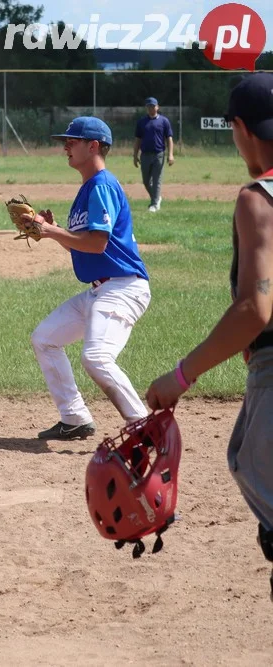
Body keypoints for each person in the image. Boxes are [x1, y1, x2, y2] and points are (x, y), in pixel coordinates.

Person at [146, 73, 273, 594]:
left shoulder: (258, 196)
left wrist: (182, 374)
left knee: (251, 466)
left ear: (239, 127)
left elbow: (254, 308)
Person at [24, 116, 152, 440]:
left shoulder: (102, 185)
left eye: (72, 141)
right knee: (45, 338)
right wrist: (54, 232)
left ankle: (147, 429)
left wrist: (53, 232)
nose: (65, 146)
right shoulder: (86, 190)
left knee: (95, 356)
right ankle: (75, 417)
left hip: (123, 287)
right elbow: (86, 250)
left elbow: (98, 244)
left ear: (93, 146)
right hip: (100, 290)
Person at [133, 97, 175, 213]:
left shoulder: (164, 121)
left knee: (157, 180)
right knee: (146, 181)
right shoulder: (141, 122)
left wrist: (170, 154)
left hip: (159, 155)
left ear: (157, 107)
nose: (151, 108)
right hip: (145, 155)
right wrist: (135, 155)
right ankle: (157, 198)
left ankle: (154, 204)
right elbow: (137, 140)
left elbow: (169, 139)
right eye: (148, 106)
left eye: (153, 106)